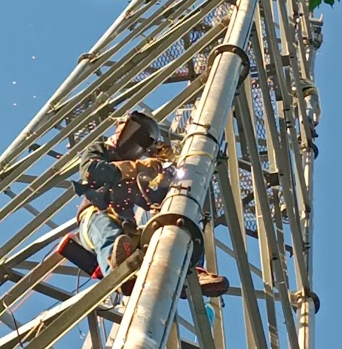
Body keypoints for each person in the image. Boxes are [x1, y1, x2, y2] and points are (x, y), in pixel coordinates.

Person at [74, 111, 229, 298]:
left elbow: (154, 199)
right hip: (96, 217)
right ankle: (120, 274)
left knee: (179, 225)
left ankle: (189, 269)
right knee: (111, 236)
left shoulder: (135, 179)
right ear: (118, 128)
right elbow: (93, 172)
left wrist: (166, 171)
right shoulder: (101, 150)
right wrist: (138, 167)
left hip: (127, 228)